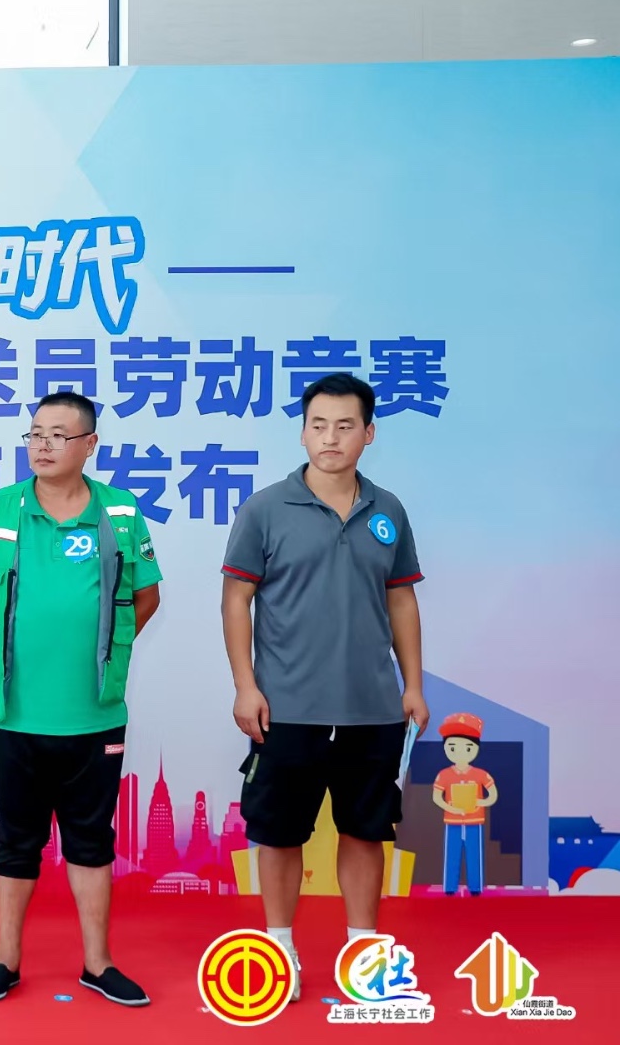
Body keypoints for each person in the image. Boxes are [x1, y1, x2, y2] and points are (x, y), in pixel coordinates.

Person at [221, 372, 430, 998]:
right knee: (280, 833)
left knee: (366, 832)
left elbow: (402, 601)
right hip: (286, 707)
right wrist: (245, 686)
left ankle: (364, 955)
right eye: (318, 425)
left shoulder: (388, 510)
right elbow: (236, 600)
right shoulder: (265, 508)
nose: (330, 438)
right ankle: (278, 953)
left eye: (345, 426)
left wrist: (412, 685)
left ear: (369, 434)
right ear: (303, 432)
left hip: (373, 708)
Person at [0, 391, 162, 1008]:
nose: (42, 445)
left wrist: (101, 650)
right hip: (16, 710)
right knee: (16, 838)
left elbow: (146, 596)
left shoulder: (120, 512)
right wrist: (8, 646)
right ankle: (6, 959)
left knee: (90, 838)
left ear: (89, 445)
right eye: (34, 434)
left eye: (58, 435)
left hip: (93, 713)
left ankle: (98, 963)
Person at [433, 713, 496, 896]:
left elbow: (492, 794)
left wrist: (480, 801)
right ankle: (450, 888)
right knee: (452, 854)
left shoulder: (481, 774)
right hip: (452, 821)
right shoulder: (444, 774)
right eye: (453, 747)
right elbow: (437, 797)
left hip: (474, 821)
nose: (460, 752)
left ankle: (475, 887)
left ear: (475, 748)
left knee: (474, 855)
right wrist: (450, 807)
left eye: (467, 748)